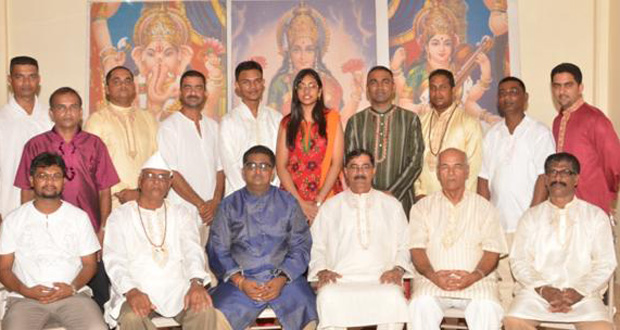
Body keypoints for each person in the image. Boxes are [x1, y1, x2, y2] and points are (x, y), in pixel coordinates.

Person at [14, 87, 119, 310]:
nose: (67, 112)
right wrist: (27, 228)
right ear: (51, 113)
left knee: (98, 294)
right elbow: (26, 189)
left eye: (73, 107)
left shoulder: (95, 144)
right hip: (46, 230)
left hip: (88, 232)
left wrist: (102, 229)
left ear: (81, 111)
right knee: (46, 288)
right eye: (61, 107)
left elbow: (104, 189)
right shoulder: (35, 144)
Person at [103, 152, 225, 330]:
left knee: (204, 310)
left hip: (178, 289)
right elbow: (114, 260)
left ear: (169, 184)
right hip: (136, 289)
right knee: (131, 317)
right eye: (150, 176)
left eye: (162, 177)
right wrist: (131, 290)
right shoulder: (119, 216)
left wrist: (196, 283)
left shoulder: (181, 213)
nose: (156, 181)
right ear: (140, 181)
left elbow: (192, 251)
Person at [208, 145, 317, 330]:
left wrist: (282, 277)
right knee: (216, 315)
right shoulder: (228, 205)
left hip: (285, 281)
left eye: (264, 166)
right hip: (240, 282)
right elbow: (217, 248)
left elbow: (301, 245)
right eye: (251, 166)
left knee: (308, 312)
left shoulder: (289, 202)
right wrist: (240, 281)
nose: (257, 171)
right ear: (243, 172)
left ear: (273, 173)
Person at [504, 153, 616, 330]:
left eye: (565, 172)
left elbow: (605, 263)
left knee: (602, 327)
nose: (558, 177)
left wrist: (578, 292)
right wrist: (544, 289)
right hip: (536, 294)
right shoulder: (531, 217)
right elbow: (519, 261)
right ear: (546, 179)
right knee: (513, 320)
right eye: (552, 172)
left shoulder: (595, 216)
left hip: (583, 296)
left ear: (576, 179)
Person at [309, 149, 412, 330]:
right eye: (354, 167)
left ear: (373, 171)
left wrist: (397, 269)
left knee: (393, 297)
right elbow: (316, 246)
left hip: (382, 277)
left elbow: (405, 244)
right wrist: (322, 270)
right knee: (328, 297)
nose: (360, 173)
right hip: (340, 279)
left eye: (365, 167)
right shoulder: (331, 206)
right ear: (346, 173)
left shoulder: (391, 205)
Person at [0, 152, 105, 330]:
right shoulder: (14, 219)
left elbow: (89, 264)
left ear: (64, 181)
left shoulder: (79, 217)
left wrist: (71, 288)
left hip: (73, 297)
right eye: (43, 176)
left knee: (97, 327)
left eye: (56, 176)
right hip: (25, 299)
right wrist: (25, 290)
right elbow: (3, 268)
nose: (49, 182)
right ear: (32, 180)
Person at [477, 76, 555, 309]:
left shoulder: (539, 132)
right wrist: (485, 219)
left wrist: (530, 219)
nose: (507, 97)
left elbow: (544, 176)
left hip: (527, 224)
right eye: (502, 93)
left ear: (525, 98)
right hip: (499, 225)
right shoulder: (492, 134)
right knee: (501, 283)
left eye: (513, 92)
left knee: (525, 284)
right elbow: (483, 179)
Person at [408, 148, 507, 330]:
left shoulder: (485, 208)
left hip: (477, 283)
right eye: (445, 167)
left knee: (487, 308)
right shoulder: (421, 208)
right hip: (432, 282)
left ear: (467, 171)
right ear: (438, 173)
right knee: (419, 306)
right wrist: (432, 275)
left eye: (457, 167)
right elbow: (416, 249)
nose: (451, 173)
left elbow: (492, 250)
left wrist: (474, 276)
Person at [90, 2, 225, 120]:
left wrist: (216, 76)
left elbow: (207, 110)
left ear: (182, 56)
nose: (159, 59)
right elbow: (112, 111)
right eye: (151, 53)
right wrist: (109, 62)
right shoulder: (134, 86)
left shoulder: (185, 90)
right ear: (139, 56)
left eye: (168, 53)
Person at [389, 0, 500, 124]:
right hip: (428, 129)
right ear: (425, 46)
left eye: (447, 43)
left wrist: (486, 117)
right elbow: (404, 102)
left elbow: (468, 103)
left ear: (453, 44)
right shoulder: (418, 73)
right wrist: (420, 108)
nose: (442, 49)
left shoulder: (458, 69)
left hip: (459, 129)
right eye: (435, 43)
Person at [345, 66, 424, 215]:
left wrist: (392, 193)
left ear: (393, 87)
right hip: (364, 203)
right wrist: (370, 196)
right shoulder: (355, 122)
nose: (380, 87)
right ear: (367, 89)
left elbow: (416, 161)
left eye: (385, 82)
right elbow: (350, 163)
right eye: (374, 82)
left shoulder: (410, 119)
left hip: (401, 202)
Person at [267, 2, 363, 120]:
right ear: (289, 53)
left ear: (316, 53)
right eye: (297, 50)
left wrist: (356, 95)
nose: (303, 57)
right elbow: (270, 124)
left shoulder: (330, 84)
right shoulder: (279, 84)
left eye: (309, 50)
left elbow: (339, 123)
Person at [550, 63, 620, 214]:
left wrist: (609, 195)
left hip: (593, 206)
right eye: (557, 86)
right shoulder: (557, 122)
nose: (561, 91)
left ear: (580, 88)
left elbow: (614, 164)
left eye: (568, 85)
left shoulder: (595, 119)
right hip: (565, 208)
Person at [84, 66, 158, 207]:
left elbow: (157, 159)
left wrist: (142, 192)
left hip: (146, 200)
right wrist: (121, 191)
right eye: (116, 81)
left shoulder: (148, 118)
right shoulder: (97, 120)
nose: (123, 85)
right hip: (111, 202)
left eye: (127, 81)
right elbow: (91, 164)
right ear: (106, 89)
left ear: (134, 87)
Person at [276, 68, 344, 222]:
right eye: (301, 86)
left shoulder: (332, 119)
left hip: (327, 197)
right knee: (295, 245)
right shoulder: (287, 123)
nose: (307, 91)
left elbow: (337, 163)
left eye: (312, 86)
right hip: (292, 200)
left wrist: (318, 202)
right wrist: (301, 203)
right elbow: (281, 166)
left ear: (319, 91)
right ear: (296, 92)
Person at [157, 70, 225, 225]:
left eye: (198, 87)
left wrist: (215, 202)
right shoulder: (169, 127)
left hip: (212, 215)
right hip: (182, 213)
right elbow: (171, 173)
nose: (193, 92)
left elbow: (220, 169)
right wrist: (201, 205)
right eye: (188, 87)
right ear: (181, 92)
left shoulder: (213, 126)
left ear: (205, 93)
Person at [414, 69, 482, 200]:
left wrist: (462, 201)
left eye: (443, 87)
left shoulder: (469, 123)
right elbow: (414, 161)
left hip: (458, 202)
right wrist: (418, 192)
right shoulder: (420, 123)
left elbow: (473, 168)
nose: (437, 93)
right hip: (425, 200)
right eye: (433, 88)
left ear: (453, 90)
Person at [0, 56, 52, 222]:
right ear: (10, 80)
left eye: (31, 76)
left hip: (49, 207)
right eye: (19, 77)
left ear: (39, 79)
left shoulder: (51, 117)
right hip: (7, 208)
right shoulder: (2, 119)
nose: (26, 83)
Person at [219, 61, 283, 196]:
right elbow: (229, 165)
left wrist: (270, 192)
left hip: (272, 196)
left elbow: (281, 161)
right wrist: (249, 195)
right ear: (237, 86)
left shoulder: (276, 118)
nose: (253, 87)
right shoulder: (229, 121)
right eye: (246, 82)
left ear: (263, 83)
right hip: (239, 198)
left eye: (257, 81)